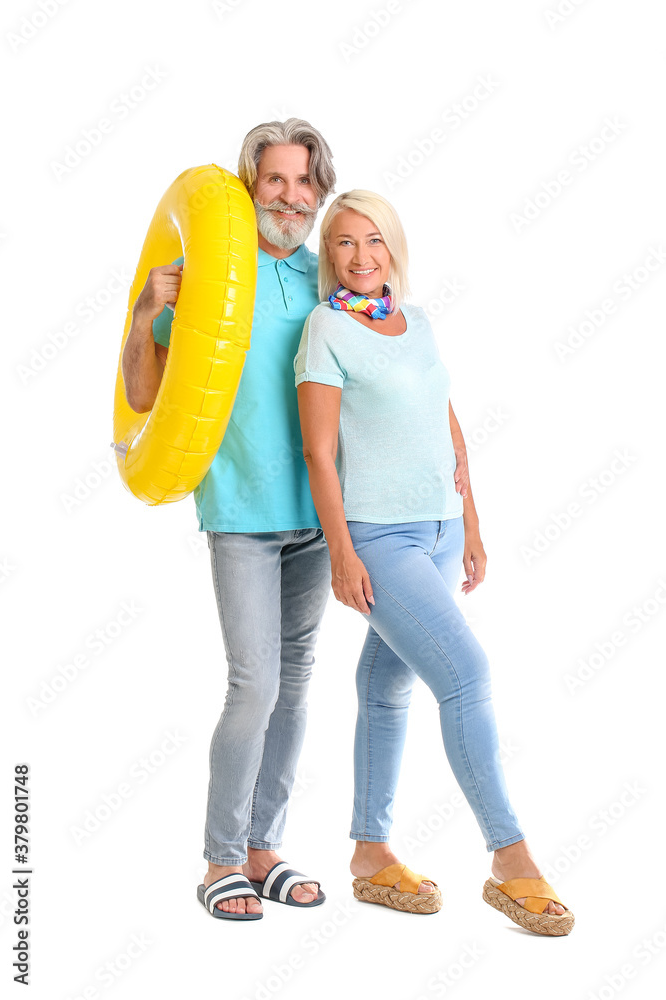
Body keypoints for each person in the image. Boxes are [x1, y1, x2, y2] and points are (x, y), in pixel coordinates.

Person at [294, 190, 575, 935]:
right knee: (466, 675)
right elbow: (319, 454)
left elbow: (444, 420)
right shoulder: (325, 331)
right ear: (330, 256)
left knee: (384, 687)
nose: (360, 257)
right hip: (379, 539)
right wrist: (342, 554)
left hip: (442, 531)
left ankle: (369, 851)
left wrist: (471, 525)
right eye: (345, 244)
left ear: (392, 248)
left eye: (373, 242)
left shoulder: (414, 320)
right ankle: (510, 859)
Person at [121, 119, 337, 921]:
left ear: (319, 192)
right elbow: (144, 397)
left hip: (320, 519)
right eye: (274, 181)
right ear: (250, 190)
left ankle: (263, 847)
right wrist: (148, 311)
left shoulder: (327, 279)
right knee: (254, 685)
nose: (290, 196)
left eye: (302, 182)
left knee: (295, 689)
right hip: (242, 515)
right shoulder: (217, 280)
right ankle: (219, 863)